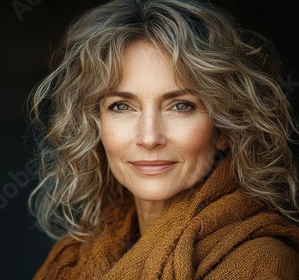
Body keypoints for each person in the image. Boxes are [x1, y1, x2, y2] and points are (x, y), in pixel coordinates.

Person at [26, 0, 299, 279]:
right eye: (121, 106)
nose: (149, 137)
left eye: (180, 106)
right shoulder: (73, 257)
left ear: (224, 128)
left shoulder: (261, 264)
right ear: (95, 124)